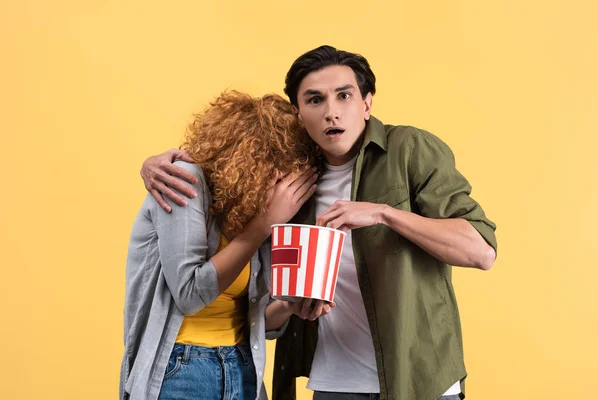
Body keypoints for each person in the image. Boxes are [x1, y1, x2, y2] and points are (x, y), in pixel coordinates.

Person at [142, 46, 498, 400]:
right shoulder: (290, 181)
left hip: (420, 379)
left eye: (344, 96)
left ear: (367, 103)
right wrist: (156, 163)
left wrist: (383, 213)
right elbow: (262, 312)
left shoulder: (409, 149)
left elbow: (480, 251)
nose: (331, 113)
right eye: (315, 100)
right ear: (298, 114)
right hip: (334, 383)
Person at [121, 91, 333, 400]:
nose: (284, 188)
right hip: (181, 368)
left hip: (243, 368)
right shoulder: (185, 181)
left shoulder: (254, 214)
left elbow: (260, 322)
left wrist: (289, 306)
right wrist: (262, 227)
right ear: (249, 159)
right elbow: (190, 295)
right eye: (279, 173)